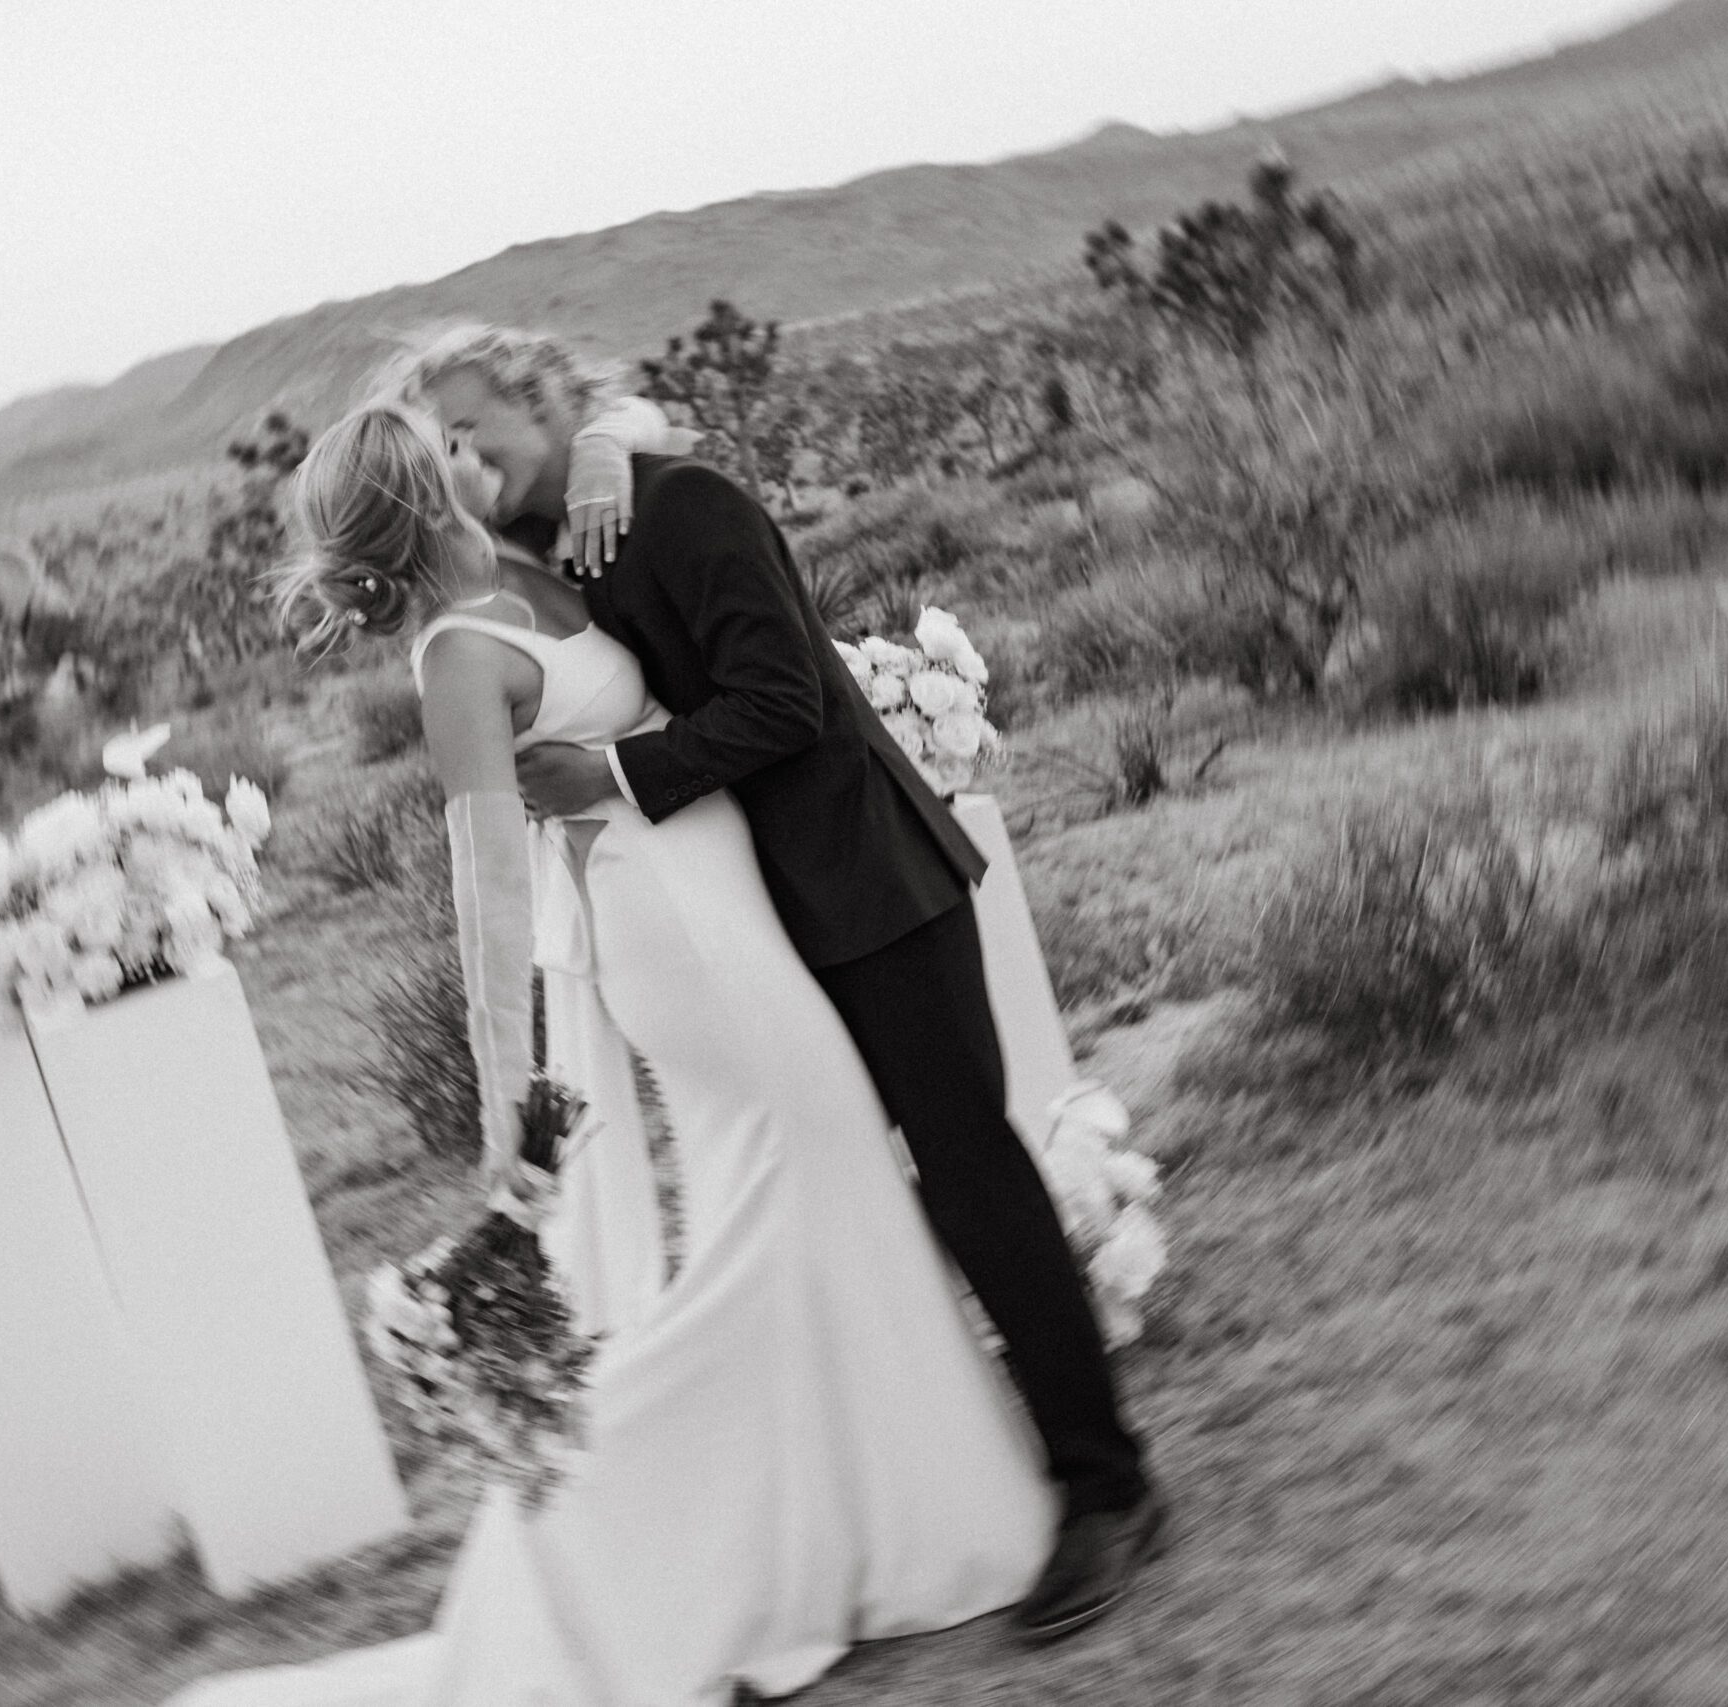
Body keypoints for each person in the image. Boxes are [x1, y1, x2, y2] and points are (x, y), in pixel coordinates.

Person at [167, 396, 1058, 1707]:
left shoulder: (529, 562)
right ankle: (593, 1526)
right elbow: (488, 897)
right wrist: (502, 1097)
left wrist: (595, 446)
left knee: (825, 1200)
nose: (479, 457)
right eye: (449, 452)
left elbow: (639, 412)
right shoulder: (458, 658)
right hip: (679, 947)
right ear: (426, 497)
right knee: (793, 1197)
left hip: (732, 910)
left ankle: (857, 1525)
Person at [396, 325, 1161, 1645]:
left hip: (870, 888)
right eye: (444, 445)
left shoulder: (683, 507)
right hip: (756, 923)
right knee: (843, 1198)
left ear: (542, 408)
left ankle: (1108, 1487)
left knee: (967, 1165)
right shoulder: (555, 551)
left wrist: (617, 779)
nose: (464, 460)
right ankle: (913, 1472)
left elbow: (789, 702)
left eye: (480, 430)